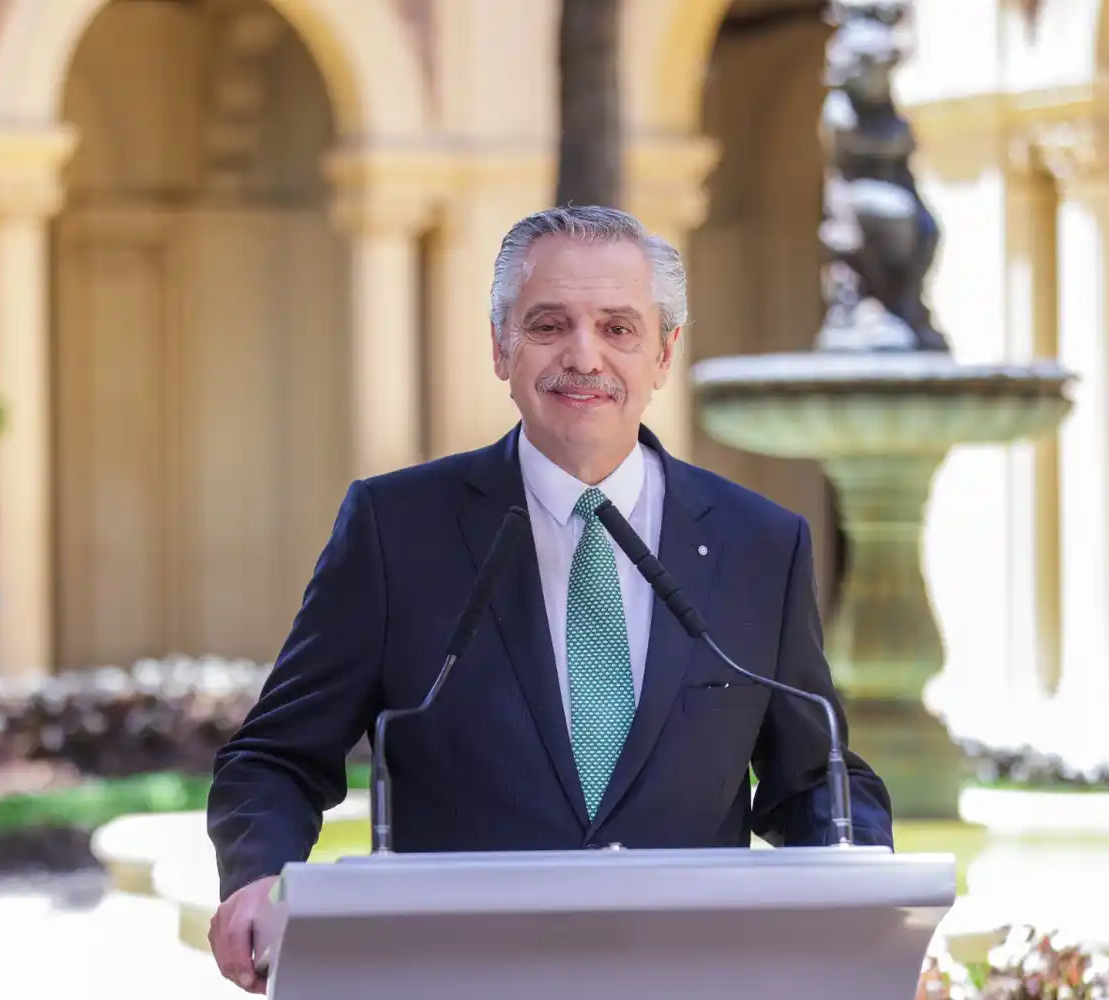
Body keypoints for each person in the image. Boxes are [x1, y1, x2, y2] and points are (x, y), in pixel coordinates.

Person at [205, 205, 894, 993]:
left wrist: (871, 899)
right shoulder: (396, 529)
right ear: (501, 347)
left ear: (665, 353)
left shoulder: (760, 545)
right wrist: (257, 876)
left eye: (619, 327)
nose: (584, 355)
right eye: (548, 324)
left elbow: (816, 778)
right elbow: (275, 758)